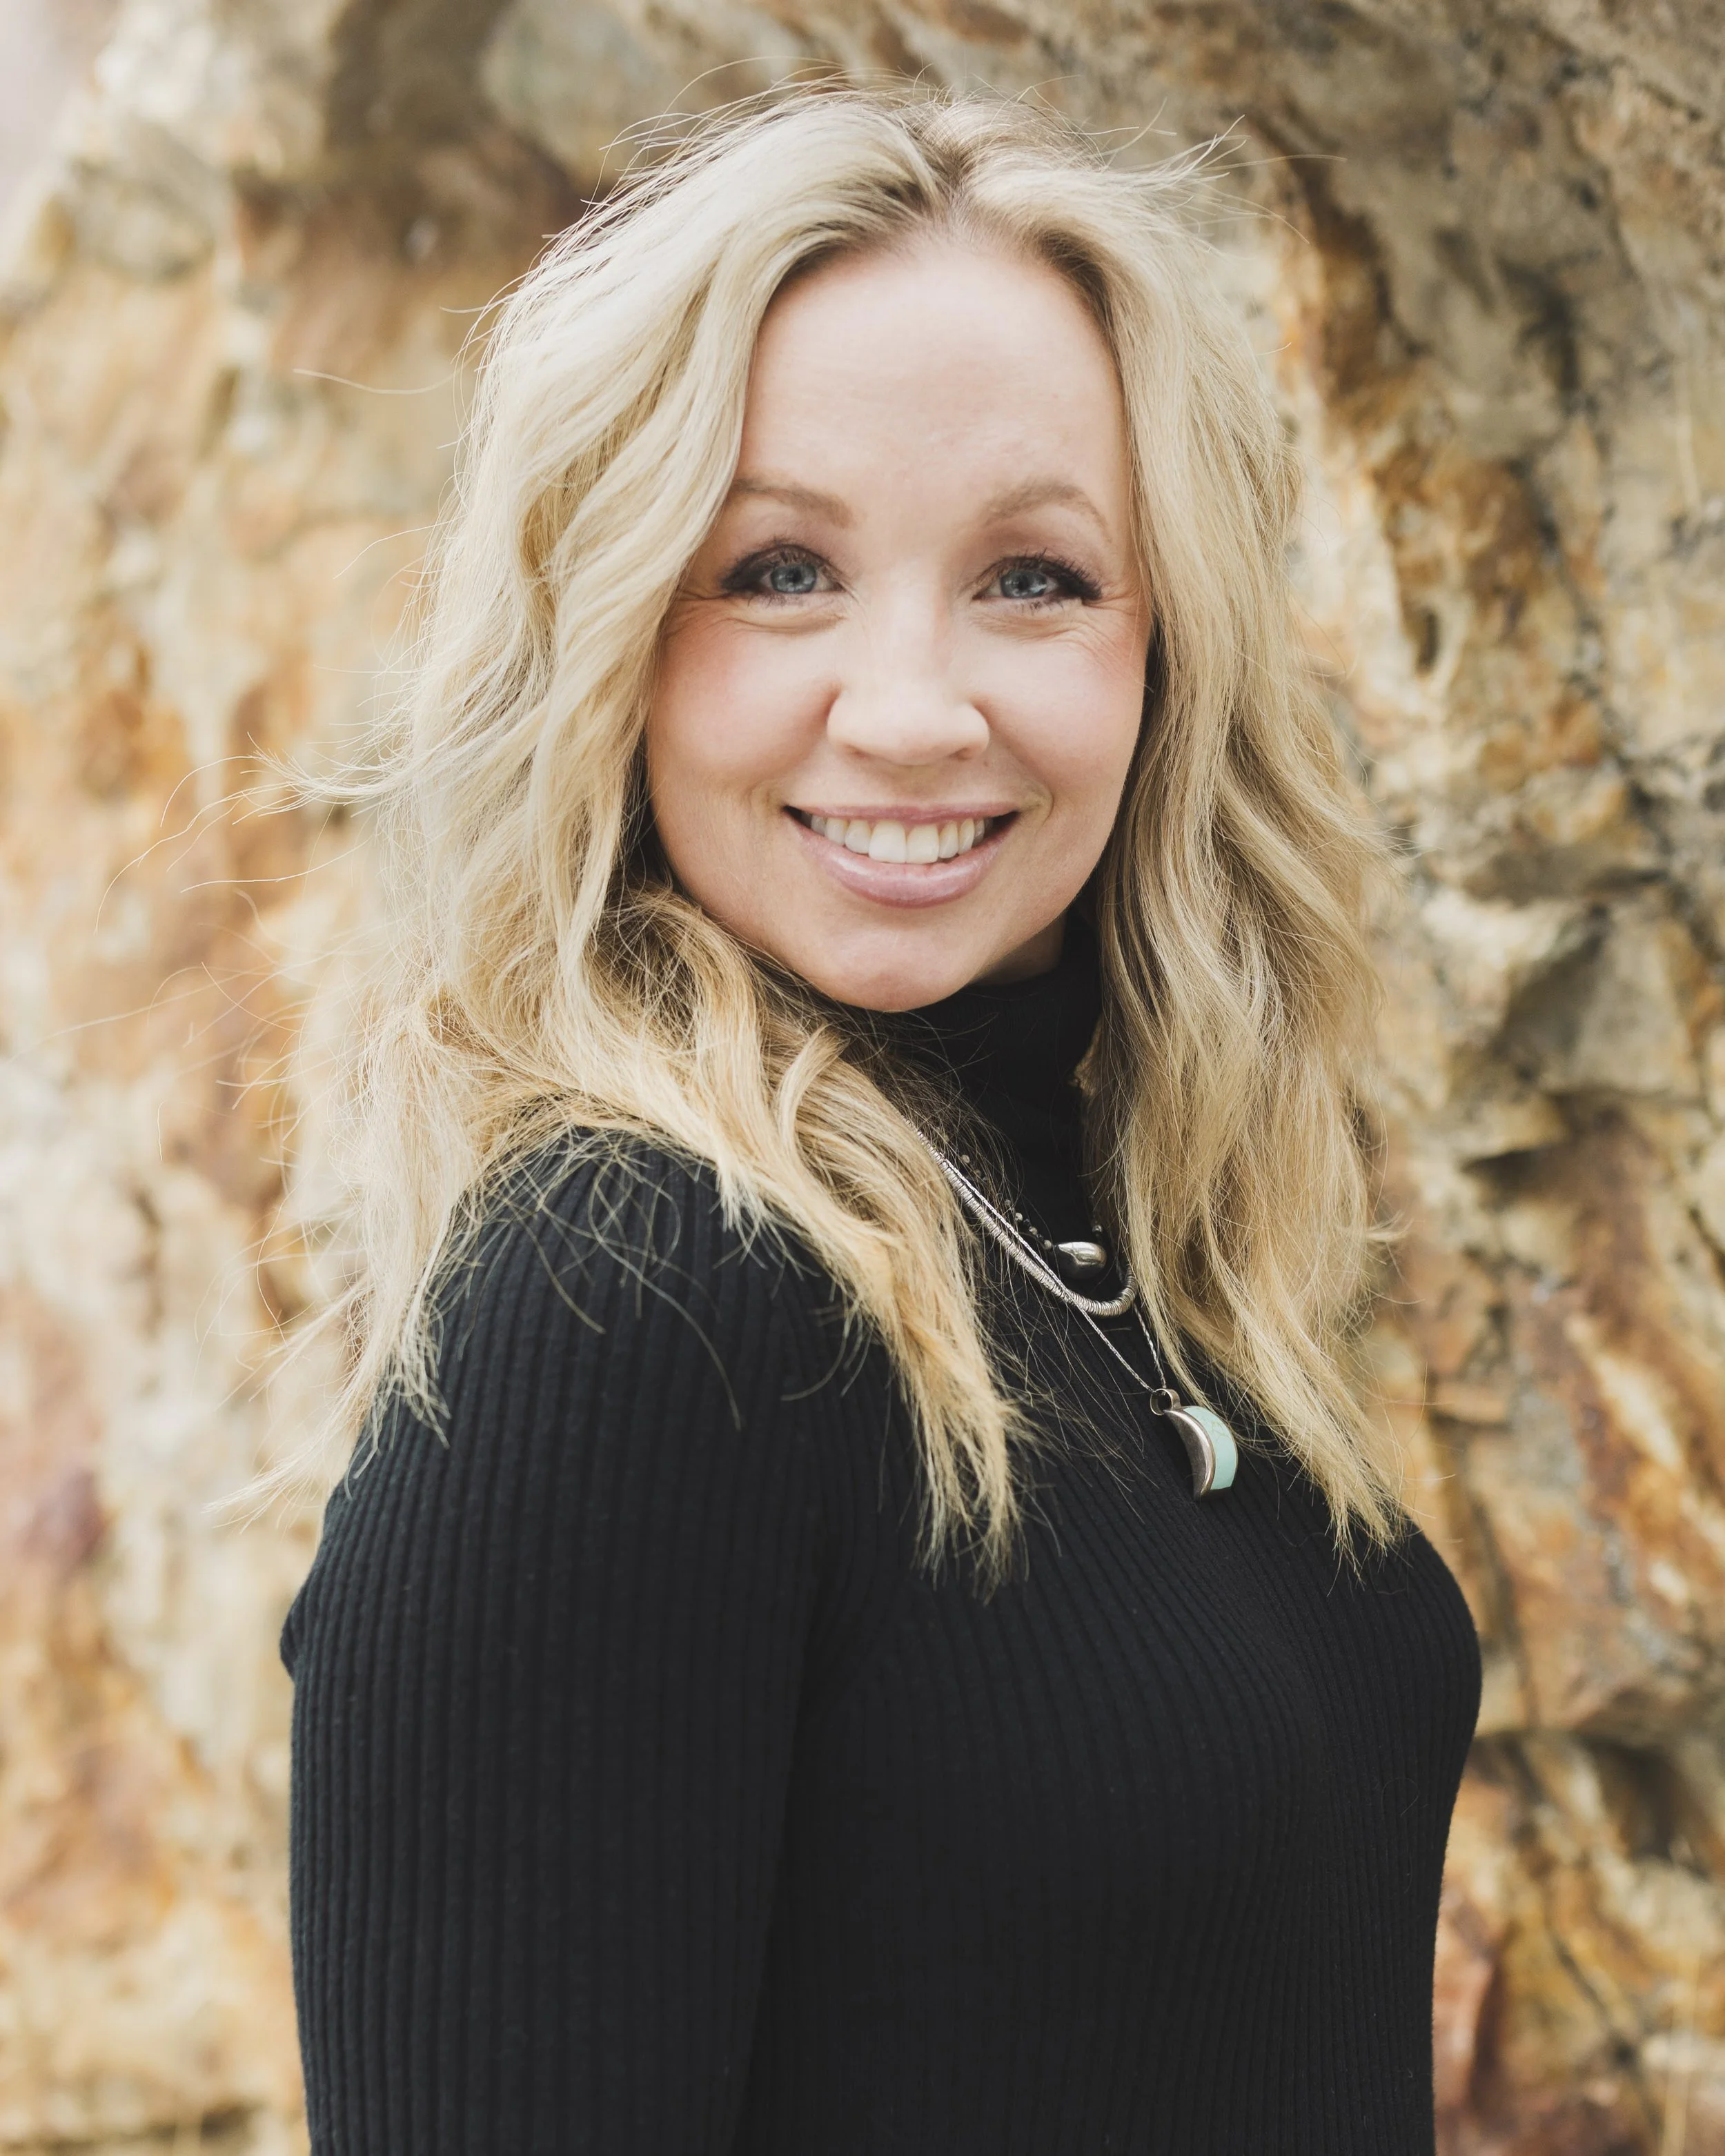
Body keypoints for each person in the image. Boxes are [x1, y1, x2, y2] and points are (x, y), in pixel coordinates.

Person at [282, 88, 1481, 2154]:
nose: (916, 707)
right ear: (609, 635)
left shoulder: (1109, 1233)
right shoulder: (622, 1309)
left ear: (1160, 646)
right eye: (776, 568)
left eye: (1032, 575)